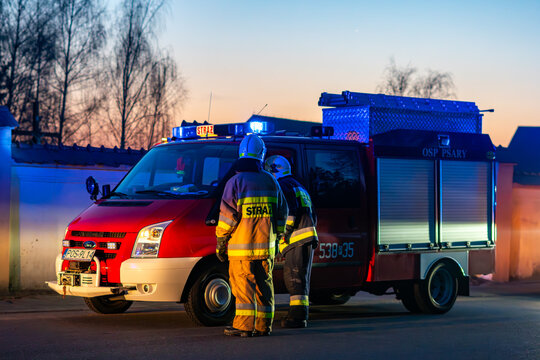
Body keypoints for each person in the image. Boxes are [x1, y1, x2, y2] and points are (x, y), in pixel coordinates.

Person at [215, 134, 288, 337]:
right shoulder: (271, 181)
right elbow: (282, 213)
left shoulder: (235, 182)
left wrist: (221, 241)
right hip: (266, 248)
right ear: (262, 156)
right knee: (265, 287)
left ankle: (244, 326)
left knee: (243, 287)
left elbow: (228, 218)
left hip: (241, 249)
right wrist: (279, 236)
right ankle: (264, 326)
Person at [265, 155, 318, 328]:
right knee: (301, 278)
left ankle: (297, 318)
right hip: (306, 237)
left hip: (297, 239)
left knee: (294, 278)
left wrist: (282, 235)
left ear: (275, 170)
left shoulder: (284, 186)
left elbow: (290, 214)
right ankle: (299, 315)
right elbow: (313, 215)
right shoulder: (298, 185)